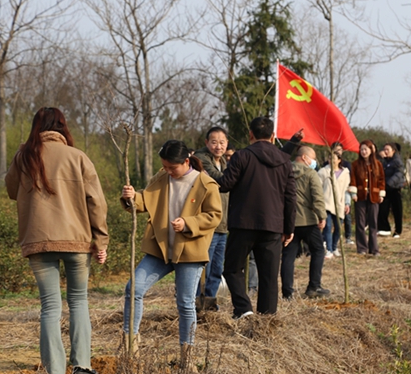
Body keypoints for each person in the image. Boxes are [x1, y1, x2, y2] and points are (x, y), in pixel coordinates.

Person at [5, 107, 109, 374]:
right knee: (79, 301)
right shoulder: (78, 157)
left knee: (50, 306)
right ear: (63, 127)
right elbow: (97, 203)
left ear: (36, 127)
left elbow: (11, 190)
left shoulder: (24, 156)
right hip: (77, 242)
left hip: (38, 242)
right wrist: (101, 241)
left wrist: (22, 155)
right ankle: (82, 367)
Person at [120, 140, 221, 361]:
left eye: (172, 167)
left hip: (190, 252)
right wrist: (131, 197)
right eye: (164, 166)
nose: (167, 171)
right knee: (133, 289)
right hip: (160, 249)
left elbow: (214, 216)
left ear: (186, 161)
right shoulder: (162, 177)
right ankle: (130, 346)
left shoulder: (206, 183)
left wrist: (187, 223)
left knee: (185, 303)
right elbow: (145, 200)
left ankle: (187, 357)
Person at [218, 117, 296, 318]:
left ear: (250, 134)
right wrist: (289, 228)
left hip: (243, 223)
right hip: (273, 225)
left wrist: (206, 177)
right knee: (269, 276)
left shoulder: (242, 156)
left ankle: (244, 309)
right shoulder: (284, 161)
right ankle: (267, 318)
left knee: (232, 269)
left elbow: (225, 184)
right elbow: (290, 197)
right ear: (273, 136)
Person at [280, 146, 329, 298]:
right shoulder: (310, 174)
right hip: (308, 220)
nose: (314, 162)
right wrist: (322, 216)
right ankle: (314, 286)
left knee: (288, 256)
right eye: (313, 158)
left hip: (289, 221)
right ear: (304, 157)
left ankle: (287, 292)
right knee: (318, 250)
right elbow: (317, 197)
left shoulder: (284, 171)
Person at [193, 127, 229, 312]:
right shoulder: (201, 159)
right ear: (206, 143)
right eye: (214, 142)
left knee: (216, 268)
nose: (218, 146)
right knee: (202, 267)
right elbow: (221, 180)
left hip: (223, 224)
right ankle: (194, 303)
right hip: (209, 224)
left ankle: (209, 304)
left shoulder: (223, 161)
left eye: (222, 142)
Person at [348, 140, 386, 255]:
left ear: (371, 150)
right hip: (360, 197)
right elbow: (353, 179)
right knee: (360, 223)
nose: (363, 152)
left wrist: (381, 194)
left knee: (373, 222)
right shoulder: (355, 164)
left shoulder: (378, 164)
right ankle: (362, 248)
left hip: (374, 196)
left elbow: (381, 180)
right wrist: (353, 193)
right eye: (361, 149)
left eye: (366, 149)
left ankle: (374, 249)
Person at [320, 152, 350, 258]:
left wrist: (347, 203)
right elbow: (318, 187)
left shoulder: (345, 173)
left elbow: (346, 190)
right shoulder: (323, 171)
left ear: (339, 160)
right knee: (327, 227)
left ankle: (334, 247)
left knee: (338, 227)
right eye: (329, 158)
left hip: (339, 204)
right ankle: (329, 250)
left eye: (333, 158)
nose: (331, 160)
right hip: (326, 203)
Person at [377, 142, 405, 237]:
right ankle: (385, 228)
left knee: (397, 211)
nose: (385, 151)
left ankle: (398, 231)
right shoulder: (384, 162)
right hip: (385, 189)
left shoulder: (397, 161)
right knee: (382, 209)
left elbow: (399, 173)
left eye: (387, 150)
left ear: (393, 151)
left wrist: (389, 183)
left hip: (395, 189)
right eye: (384, 149)